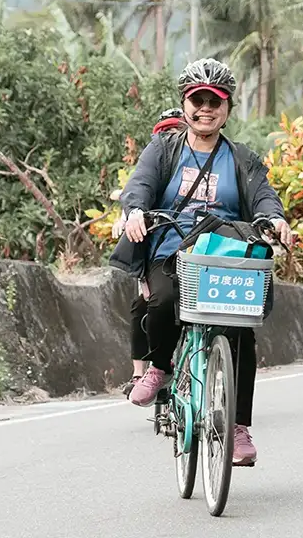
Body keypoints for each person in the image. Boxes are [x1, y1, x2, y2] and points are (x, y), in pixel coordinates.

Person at [109, 59, 292, 467]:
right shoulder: (164, 148)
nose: (206, 108)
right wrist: (136, 210)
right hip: (170, 249)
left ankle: (239, 428)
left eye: (215, 101)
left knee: (242, 331)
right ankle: (159, 368)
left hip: (223, 253)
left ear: (227, 109)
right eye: (198, 100)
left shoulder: (242, 158)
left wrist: (275, 218)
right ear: (185, 104)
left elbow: (264, 195)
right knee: (159, 302)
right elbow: (139, 186)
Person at [115, 108, 185, 397]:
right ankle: (141, 372)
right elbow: (135, 194)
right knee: (144, 305)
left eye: (176, 131)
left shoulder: (209, 161)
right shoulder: (155, 165)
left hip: (194, 248)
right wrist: (127, 217)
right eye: (166, 132)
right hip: (157, 249)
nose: (171, 136)